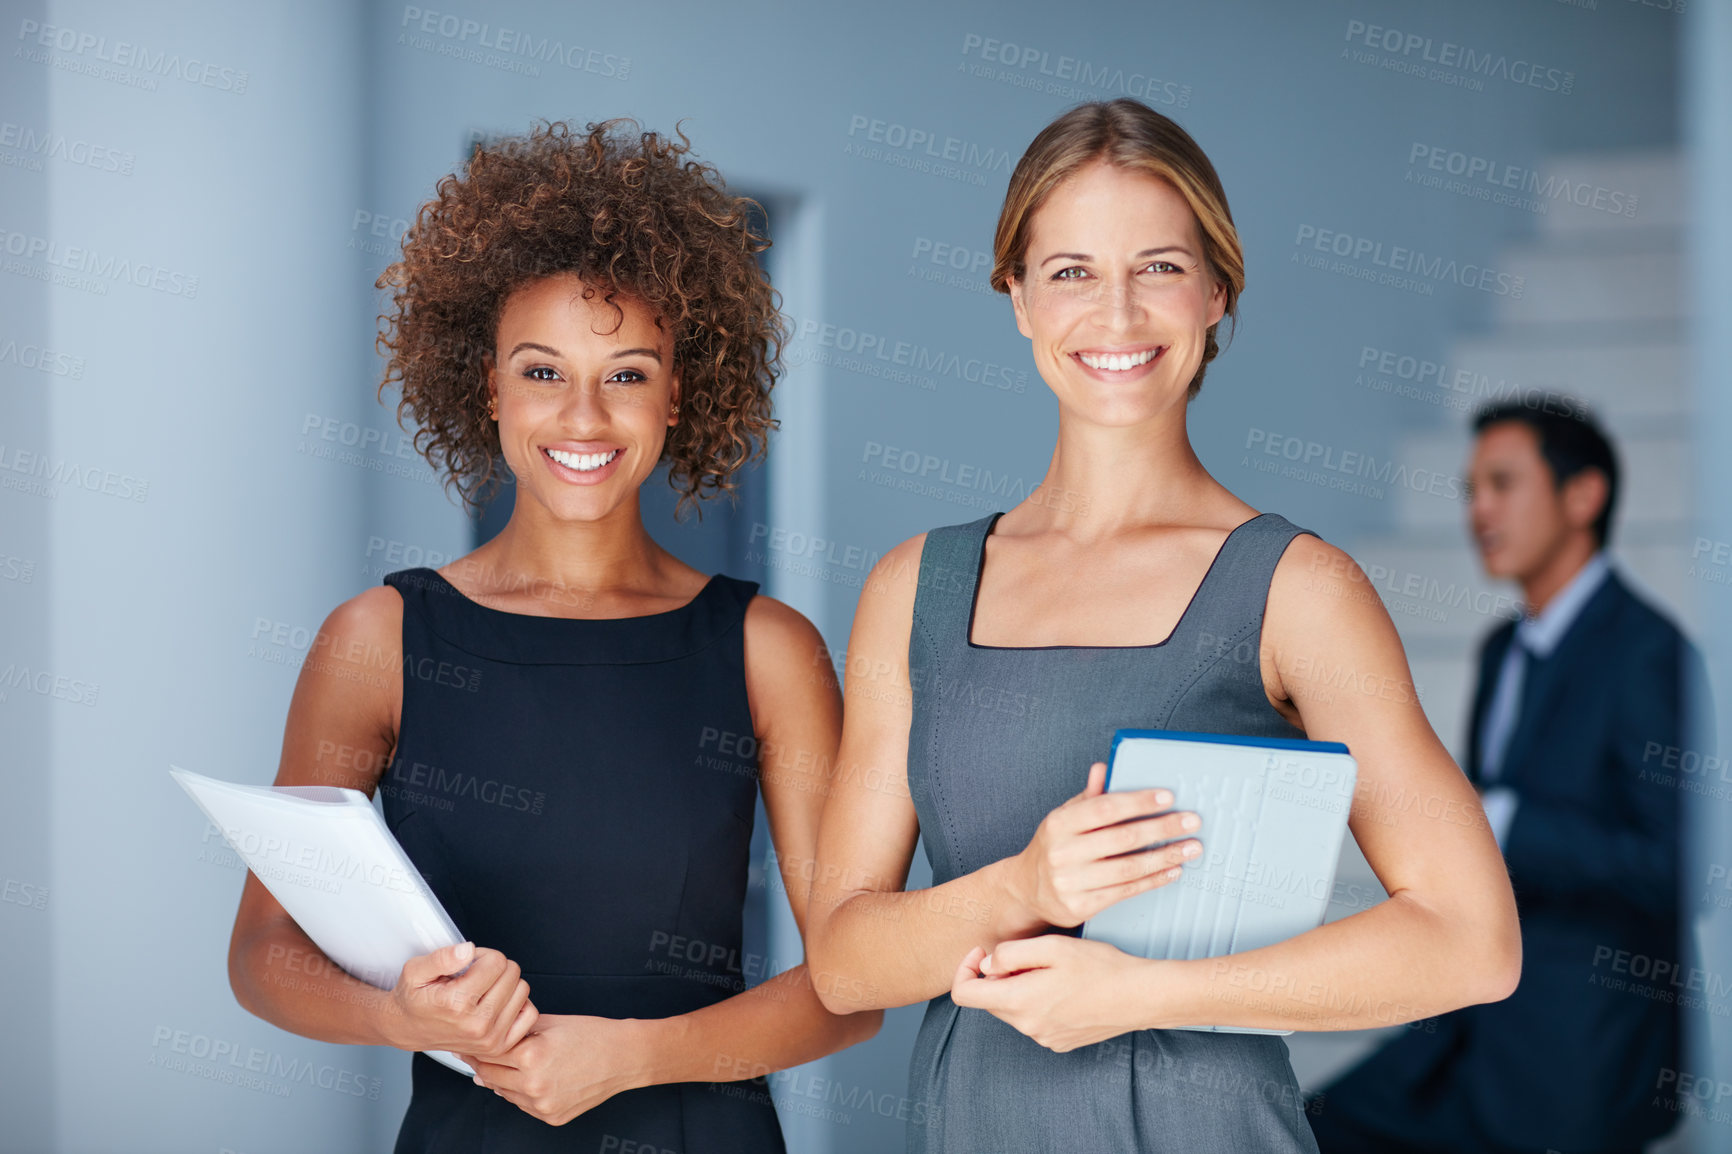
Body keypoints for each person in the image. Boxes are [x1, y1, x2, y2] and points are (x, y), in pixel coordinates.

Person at [802, 97, 1521, 1153]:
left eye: (1159, 267)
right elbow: (844, 958)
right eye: (1070, 271)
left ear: (1216, 290)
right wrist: (1026, 886)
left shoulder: (1299, 588)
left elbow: (1472, 940)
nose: (1118, 313)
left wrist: (1143, 991)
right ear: (1015, 297)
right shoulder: (913, 587)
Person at [226, 119, 878, 1153]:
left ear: (678, 391)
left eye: (626, 372)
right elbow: (263, 952)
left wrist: (634, 1055)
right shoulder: (379, 637)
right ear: (487, 385)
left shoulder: (766, 648)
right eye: (541, 371)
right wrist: (398, 1011)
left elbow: (853, 987)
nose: (583, 415)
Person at [1309, 404, 1703, 1153]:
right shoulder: (1501, 649)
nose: (1478, 509)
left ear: (1582, 497)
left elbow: (1686, 870)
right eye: (1470, 490)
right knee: (1308, 1125)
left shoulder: (1648, 653)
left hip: (1582, 1046)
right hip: (1472, 1015)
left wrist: (1513, 823)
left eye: (1501, 484)